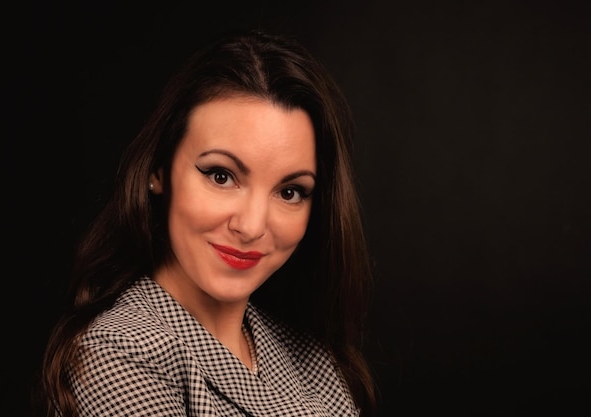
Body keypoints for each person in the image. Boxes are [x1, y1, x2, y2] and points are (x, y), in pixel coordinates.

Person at [35, 29, 376, 417]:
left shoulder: (310, 357)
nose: (251, 226)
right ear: (158, 169)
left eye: (289, 192)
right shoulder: (118, 353)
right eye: (220, 176)